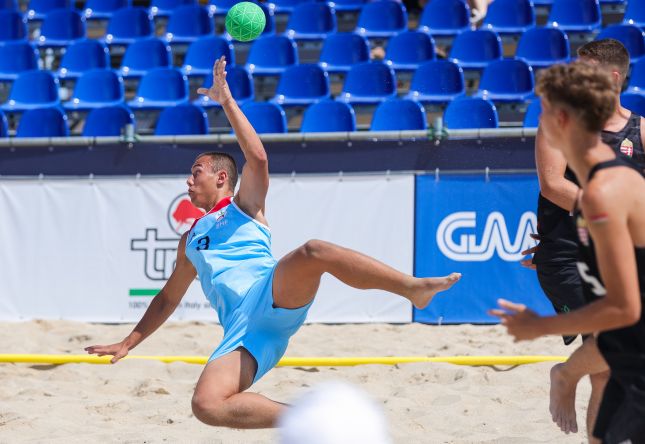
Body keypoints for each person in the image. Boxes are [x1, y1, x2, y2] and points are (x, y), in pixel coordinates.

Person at [85, 56, 461, 429]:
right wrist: (129, 341)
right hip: (243, 331)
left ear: (221, 178)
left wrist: (226, 102)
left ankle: (411, 288)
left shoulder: (244, 206)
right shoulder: (190, 239)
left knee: (314, 251)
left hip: (270, 291)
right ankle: (312, 420)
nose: (188, 180)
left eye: (196, 172)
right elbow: (168, 299)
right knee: (206, 405)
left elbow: (259, 158)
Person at [491, 62, 645, 444]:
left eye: (545, 110)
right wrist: (556, 249)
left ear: (563, 120)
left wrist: (541, 330)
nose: (540, 120)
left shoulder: (605, 194)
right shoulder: (602, 189)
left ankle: (567, 374)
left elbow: (625, 311)